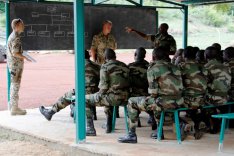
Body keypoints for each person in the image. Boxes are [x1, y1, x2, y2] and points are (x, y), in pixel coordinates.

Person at [118, 47, 188, 144]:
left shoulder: (153, 68)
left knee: (131, 102)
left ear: (153, 57)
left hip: (163, 102)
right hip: (179, 102)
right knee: (155, 103)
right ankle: (162, 131)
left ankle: (131, 135)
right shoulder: (175, 67)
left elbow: (153, 93)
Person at [39, 50, 100, 122]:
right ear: (89, 56)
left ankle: (50, 112)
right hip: (96, 92)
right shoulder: (97, 66)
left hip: (83, 92)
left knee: (65, 97)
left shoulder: (80, 65)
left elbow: (79, 83)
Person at [85, 49, 129, 136]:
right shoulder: (124, 66)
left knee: (85, 100)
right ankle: (108, 124)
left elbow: (103, 88)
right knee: (108, 97)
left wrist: (97, 95)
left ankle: (90, 128)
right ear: (115, 56)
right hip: (126, 98)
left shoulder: (105, 67)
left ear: (105, 58)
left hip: (112, 98)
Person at [179, 46, 208, 139]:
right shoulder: (203, 67)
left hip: (187, 100)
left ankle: (184, 124)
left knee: (168, 106)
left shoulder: (181, 67)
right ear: (195, 55)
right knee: (193, 109)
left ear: (183, 55)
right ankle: (198, 123)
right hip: (204, 100)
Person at [204, 46, 231, 134]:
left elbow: (203, 85)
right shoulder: (226, 66)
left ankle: (212, 125)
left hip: (212, 98)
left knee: (196, 100)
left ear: (205, 56)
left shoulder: (206, 67)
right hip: (226, 97)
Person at [7, 18, 31, 115]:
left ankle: (12, 106)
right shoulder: (15, 37)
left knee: (14, 84)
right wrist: (25, 57)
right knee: (15, 85)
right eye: (21, 24)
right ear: (17, 26)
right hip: (16, 66)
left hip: (13, 65)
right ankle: (14, 108)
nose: (23, 26)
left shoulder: (12, 36)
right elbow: (15, 53)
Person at [128, 47, 156, 129]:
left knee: (130, 101)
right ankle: (152, 116)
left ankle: (136, 120)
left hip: (133, 95)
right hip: (148, 94)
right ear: (144, 56)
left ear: (135, 55)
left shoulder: (130, 67)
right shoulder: (150, 66)